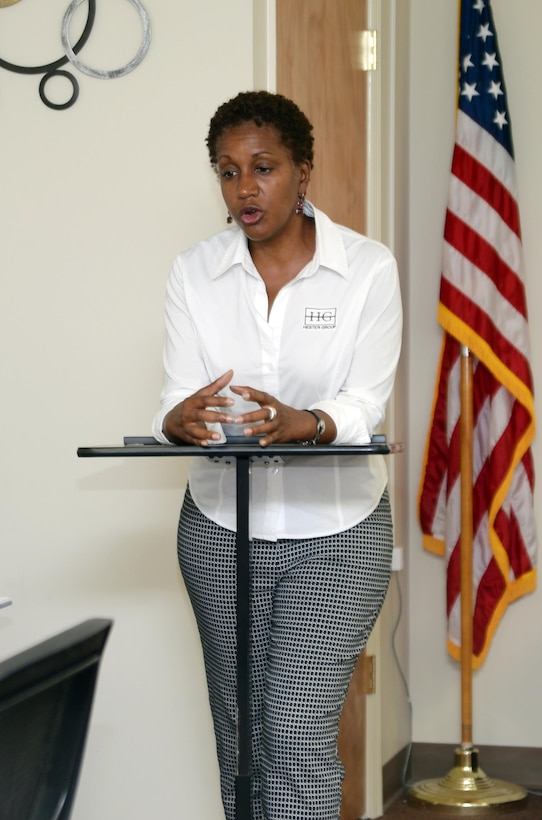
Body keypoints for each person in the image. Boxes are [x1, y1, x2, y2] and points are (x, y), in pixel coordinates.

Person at [152, 90, 402, 820]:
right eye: (228, 172)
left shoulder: (366, 269)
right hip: (221, 529)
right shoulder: (194, 272)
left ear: (304, 172)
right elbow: (177, 396)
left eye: (263, 168)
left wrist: (310, 423)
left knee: (294, 733)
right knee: (240, 742)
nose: (244, 189)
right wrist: (179, 419)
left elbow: (365, 403)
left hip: (339, 533)